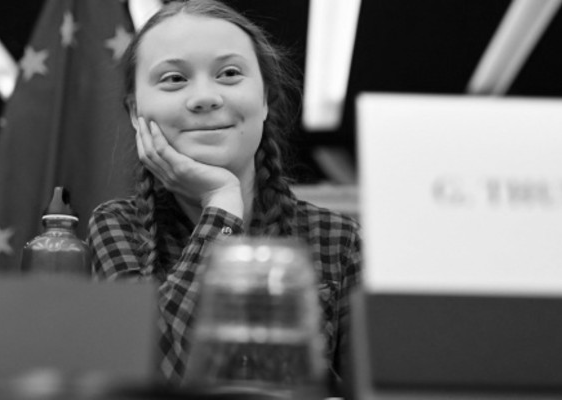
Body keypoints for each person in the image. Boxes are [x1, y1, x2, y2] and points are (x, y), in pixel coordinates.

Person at [87, 0, 362, 392]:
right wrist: (221, 202)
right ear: (135, 112)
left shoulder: (338, 238)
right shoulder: (116, 228)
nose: (204, 97)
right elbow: (157, 373)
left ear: (265, 98)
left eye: (229, 73)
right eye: (174, 79)